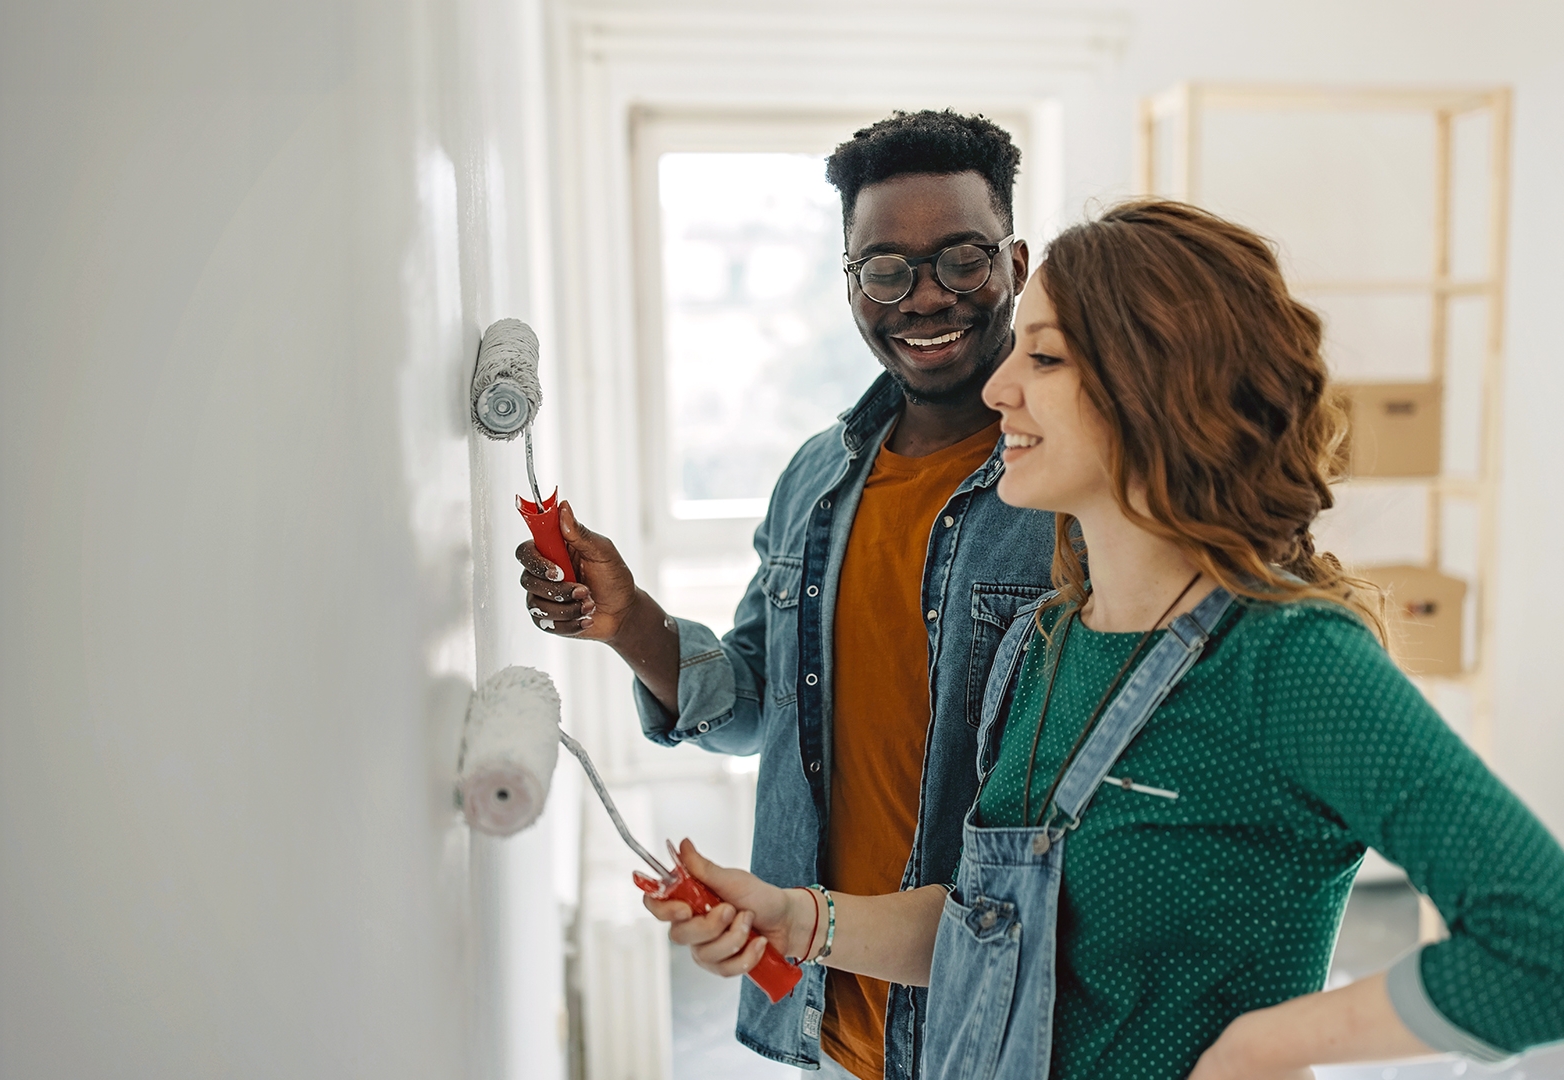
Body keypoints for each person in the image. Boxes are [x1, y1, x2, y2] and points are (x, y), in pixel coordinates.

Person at [644, 200, 1564, 1080]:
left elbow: (1541, 939)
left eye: (1042, 357)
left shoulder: (1287, 659)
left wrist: (1264, 1052)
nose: (1000, 385)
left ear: (1157, 387)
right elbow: (988, 929)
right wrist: (800, 919)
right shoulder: (1045, 642)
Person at [515, 111, 1055, 1078]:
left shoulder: (1070, 484)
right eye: (885, 270)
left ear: (1013, 261)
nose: (923, 298)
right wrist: (631, 622)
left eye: (961, 261)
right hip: (835, 1008)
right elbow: (760, 705)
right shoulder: (817, 478)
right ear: (851, 283)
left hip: (1007, 1020)